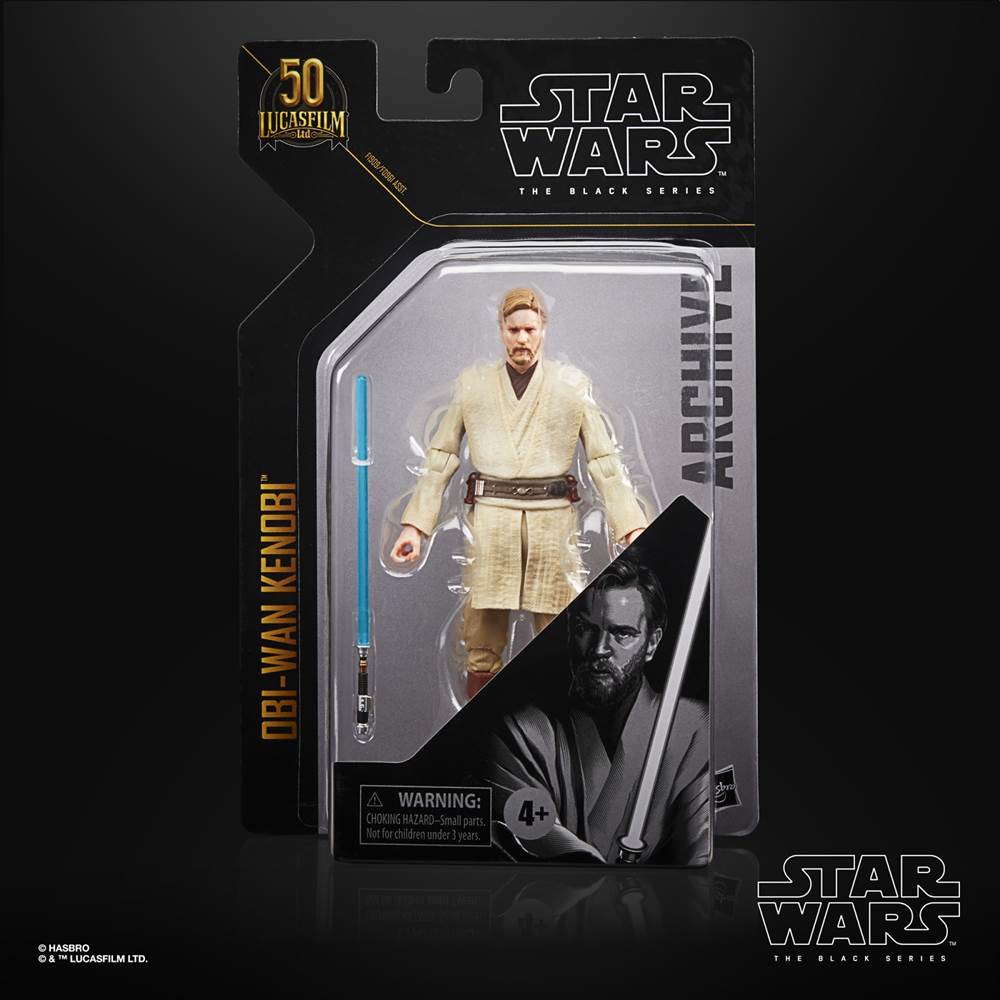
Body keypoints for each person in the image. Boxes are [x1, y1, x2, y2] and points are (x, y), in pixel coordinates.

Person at [391, 286, 648, 698]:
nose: (522, 339)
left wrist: (630, 524)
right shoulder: (473, 385)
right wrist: (416, 526)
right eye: (513, 330)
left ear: (544, 328)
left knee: (559, 626)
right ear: (501, 329)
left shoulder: (571, 385)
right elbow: (441, 456)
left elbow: (604, 460)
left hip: (553, 521)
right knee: (482, 630)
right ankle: (478, 721)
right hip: (491, 520)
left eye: (530, 329)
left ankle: (554, 722)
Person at [482, 553, 711, 865]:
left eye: (622, 633)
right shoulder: (524, 733)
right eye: (586, 629)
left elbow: (703, 848)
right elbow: (536, 837)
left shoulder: (696, 729)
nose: (600, 649)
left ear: (652, 643)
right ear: (569, 631)